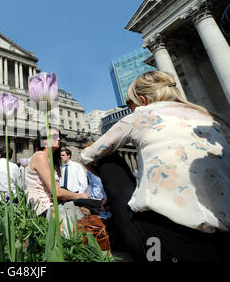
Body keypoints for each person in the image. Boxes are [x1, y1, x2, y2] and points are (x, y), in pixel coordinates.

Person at [80, 71, 230, 262]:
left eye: (129, 104)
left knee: (107, 158)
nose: (130, 109)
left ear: (142, 100)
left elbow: (87, 155)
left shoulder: (141, 114)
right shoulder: (213, 118)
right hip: (223, 237)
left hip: (164, 241)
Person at [27, 126, 89, 238]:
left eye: (59, 136)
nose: (59, 139)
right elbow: (56, 191)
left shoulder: (48, 158)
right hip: (42, 210)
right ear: (44, 140)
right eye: (54, 136)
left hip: (50, 207)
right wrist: (79, 195)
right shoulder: (40, 156)